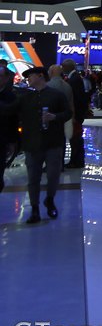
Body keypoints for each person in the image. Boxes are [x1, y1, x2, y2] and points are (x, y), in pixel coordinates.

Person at [1, 67, 71, 223]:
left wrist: (54, 117)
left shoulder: (56, 95)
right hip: (32, 144)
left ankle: (50, 199)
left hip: (53, 142)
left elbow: (68, 113)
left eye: (30, 76)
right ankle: (35, 209)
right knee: (33, 178)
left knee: (53, 175)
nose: (28, 79)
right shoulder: (25, 97)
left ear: (41, 76)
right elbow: (8, 110)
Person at [61, 58, 88, 168]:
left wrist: (75, 115)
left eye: (63, 66)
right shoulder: (74, 78)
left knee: (75, 138)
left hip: (76, 114)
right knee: (76, 138)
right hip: (77, 113)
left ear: (68, 67)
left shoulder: (74, 79)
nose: (62, 68)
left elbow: (77, 99)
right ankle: (76, 160)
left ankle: (76, 161)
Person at [0, 68, 17, 192]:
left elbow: (13, 120)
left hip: (2, 139)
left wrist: (12, 141)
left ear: (6, 78)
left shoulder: (11, 96)